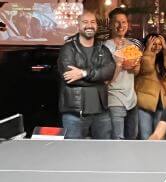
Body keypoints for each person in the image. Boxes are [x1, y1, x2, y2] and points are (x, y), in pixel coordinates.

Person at [57, 9, 115, 139]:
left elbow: (109, 72)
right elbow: (69, 77)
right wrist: (98, 77)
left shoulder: (103, 49)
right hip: (74, 114)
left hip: (101, 113)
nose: (89, 25)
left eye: (93, 22)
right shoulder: (68, 49)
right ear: (78, 26)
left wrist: (83, 73)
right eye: (85, 22)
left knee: (104, 152)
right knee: (74, 154)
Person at [103, 8, 142, 140]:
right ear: (110, 24)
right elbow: (105, 78)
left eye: (124, 22)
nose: (121, 26)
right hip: (114, 98)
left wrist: (135, 66)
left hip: (132, 99)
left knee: (132, 137)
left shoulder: (131, 45)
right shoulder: (105, 47)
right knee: (118, 139)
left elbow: (136, 72)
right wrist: (119, 63)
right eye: (117, 22)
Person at [135, 32, 166, 139]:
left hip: (162, 104)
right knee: (145, 137)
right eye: (153, 44)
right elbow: (146, 69)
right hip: (144, 104)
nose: (157, 47)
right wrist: (148, 52)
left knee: (160, 137)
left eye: (160, 44)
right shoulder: (142, 56)